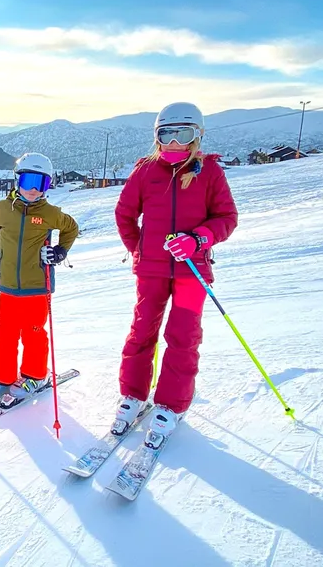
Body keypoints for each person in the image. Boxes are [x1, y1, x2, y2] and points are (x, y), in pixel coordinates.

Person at [112, 102, 238, 437]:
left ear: (197, 136)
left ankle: (171, 403)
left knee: (182, 335)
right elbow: (124, 214)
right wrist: (139, 248)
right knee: (142, 331)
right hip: (151, 270)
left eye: (183, 134)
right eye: (165, 133)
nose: (173, 142)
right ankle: (133, 394)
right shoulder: (145, 171)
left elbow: (227, 218)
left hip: (191, 270)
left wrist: (199, 239)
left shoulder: (209, 172)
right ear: (156, 137)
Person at [0, 152, 80, 411]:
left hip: (37, 285)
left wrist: (60, 252)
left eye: (40, 183)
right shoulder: (0, 210)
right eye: (28, 180)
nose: (33, 189)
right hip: (8, 285)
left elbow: (71, 228)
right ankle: (2, 378)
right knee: (5, 333)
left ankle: (35, 375)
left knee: (33, 332)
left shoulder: (51, 213)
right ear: (17, 179)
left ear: (47, 186)